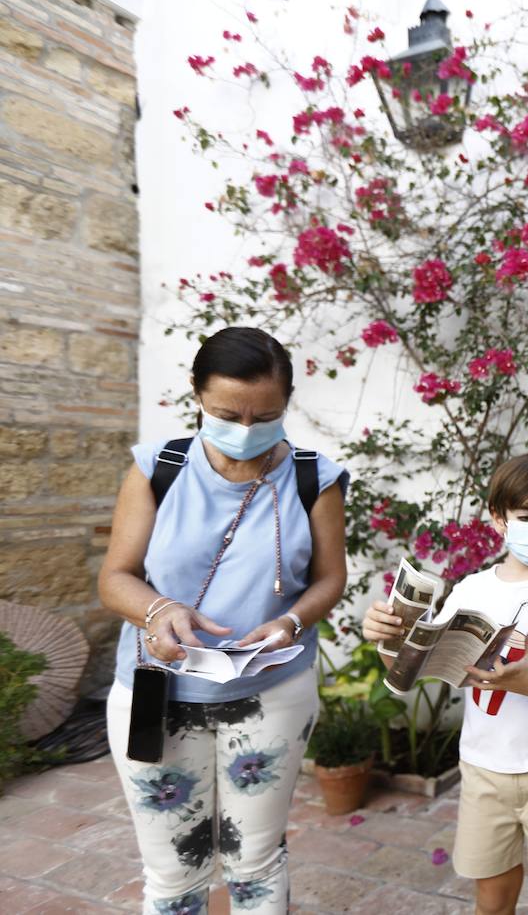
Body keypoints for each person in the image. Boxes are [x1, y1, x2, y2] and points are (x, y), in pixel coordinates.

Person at [98, 326, 348, 914]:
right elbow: (116, 577)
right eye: (225, 413)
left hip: (271, 692)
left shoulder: (315, 478)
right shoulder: (158, 468)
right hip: (156, 692)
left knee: (255, 863)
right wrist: (159, 611)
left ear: (287, 403)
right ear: (196, 392)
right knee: (172, 871)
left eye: (265, 415)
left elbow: (331, 579)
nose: (244, 430)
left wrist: (290, 623)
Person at [362, 453, 528, 915]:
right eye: (526, 517)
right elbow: (425, 660)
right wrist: (387, 635)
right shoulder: (472, 589)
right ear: (499, 519)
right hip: (483, 767)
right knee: (492, 897)